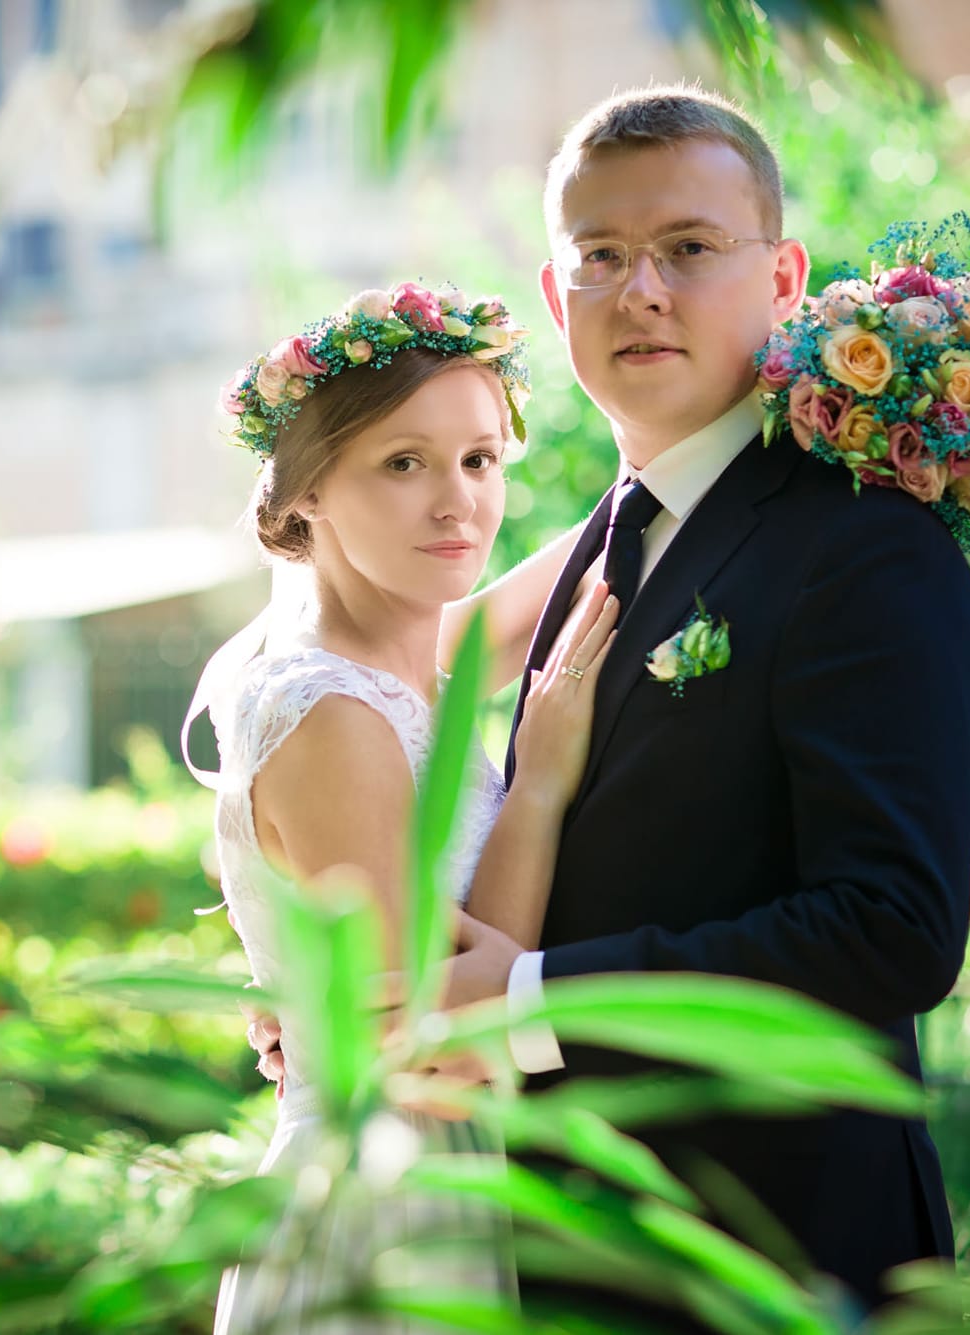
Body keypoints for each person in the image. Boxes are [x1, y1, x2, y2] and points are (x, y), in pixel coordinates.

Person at [251, 87, 970, 1324]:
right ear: (556, 298)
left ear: (782, 277)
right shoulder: (604, 537)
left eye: (689, 250)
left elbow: (890, 929)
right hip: (550, 1246)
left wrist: (530, 997)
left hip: (768, 1246)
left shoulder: (860, 548)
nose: (640, 290)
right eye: (600, 257)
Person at [192, 284, 621, 1333]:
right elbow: (435, 1028)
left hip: (445, 1183)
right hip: (383, 1212)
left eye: (480, 460)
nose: (457, 502)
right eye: (402, 463)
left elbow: (608, 546)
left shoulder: (409, 658)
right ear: (307, 496)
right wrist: (540, 781)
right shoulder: (327, 708)